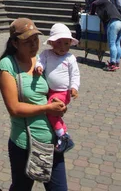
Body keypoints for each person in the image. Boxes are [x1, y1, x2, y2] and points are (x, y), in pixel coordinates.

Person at [0, 18, 68, 191]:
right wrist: (47, 108)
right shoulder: (8, 65)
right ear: (15, 43)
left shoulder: (41, 60)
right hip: (25, 144)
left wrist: (61, 103)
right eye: (27, 41)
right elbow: (14, 108)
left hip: (52, 141)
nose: (34, 45)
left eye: (35, 40)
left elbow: (55, 89)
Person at [35, 23, 80, 153]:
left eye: (66, 44)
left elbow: (75, 74)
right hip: (50, 91)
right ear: (52, 43)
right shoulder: (47, 54)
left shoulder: (70, 58)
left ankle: (62, 135)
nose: (62, 47)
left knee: (51, 110)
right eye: (59, 43)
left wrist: (74, 87)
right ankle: (59, 132)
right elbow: (40, 60)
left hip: (63, 93)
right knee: (51, 112)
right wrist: (39, 67)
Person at [91, 0, 121, 71]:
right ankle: (117, 62)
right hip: (120, 22)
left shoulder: (105, 1)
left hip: (113, 23)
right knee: (117, 43)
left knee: (112, 43)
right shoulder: (108, 8)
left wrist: (91, 13)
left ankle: (112, 64)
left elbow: (93, 3)